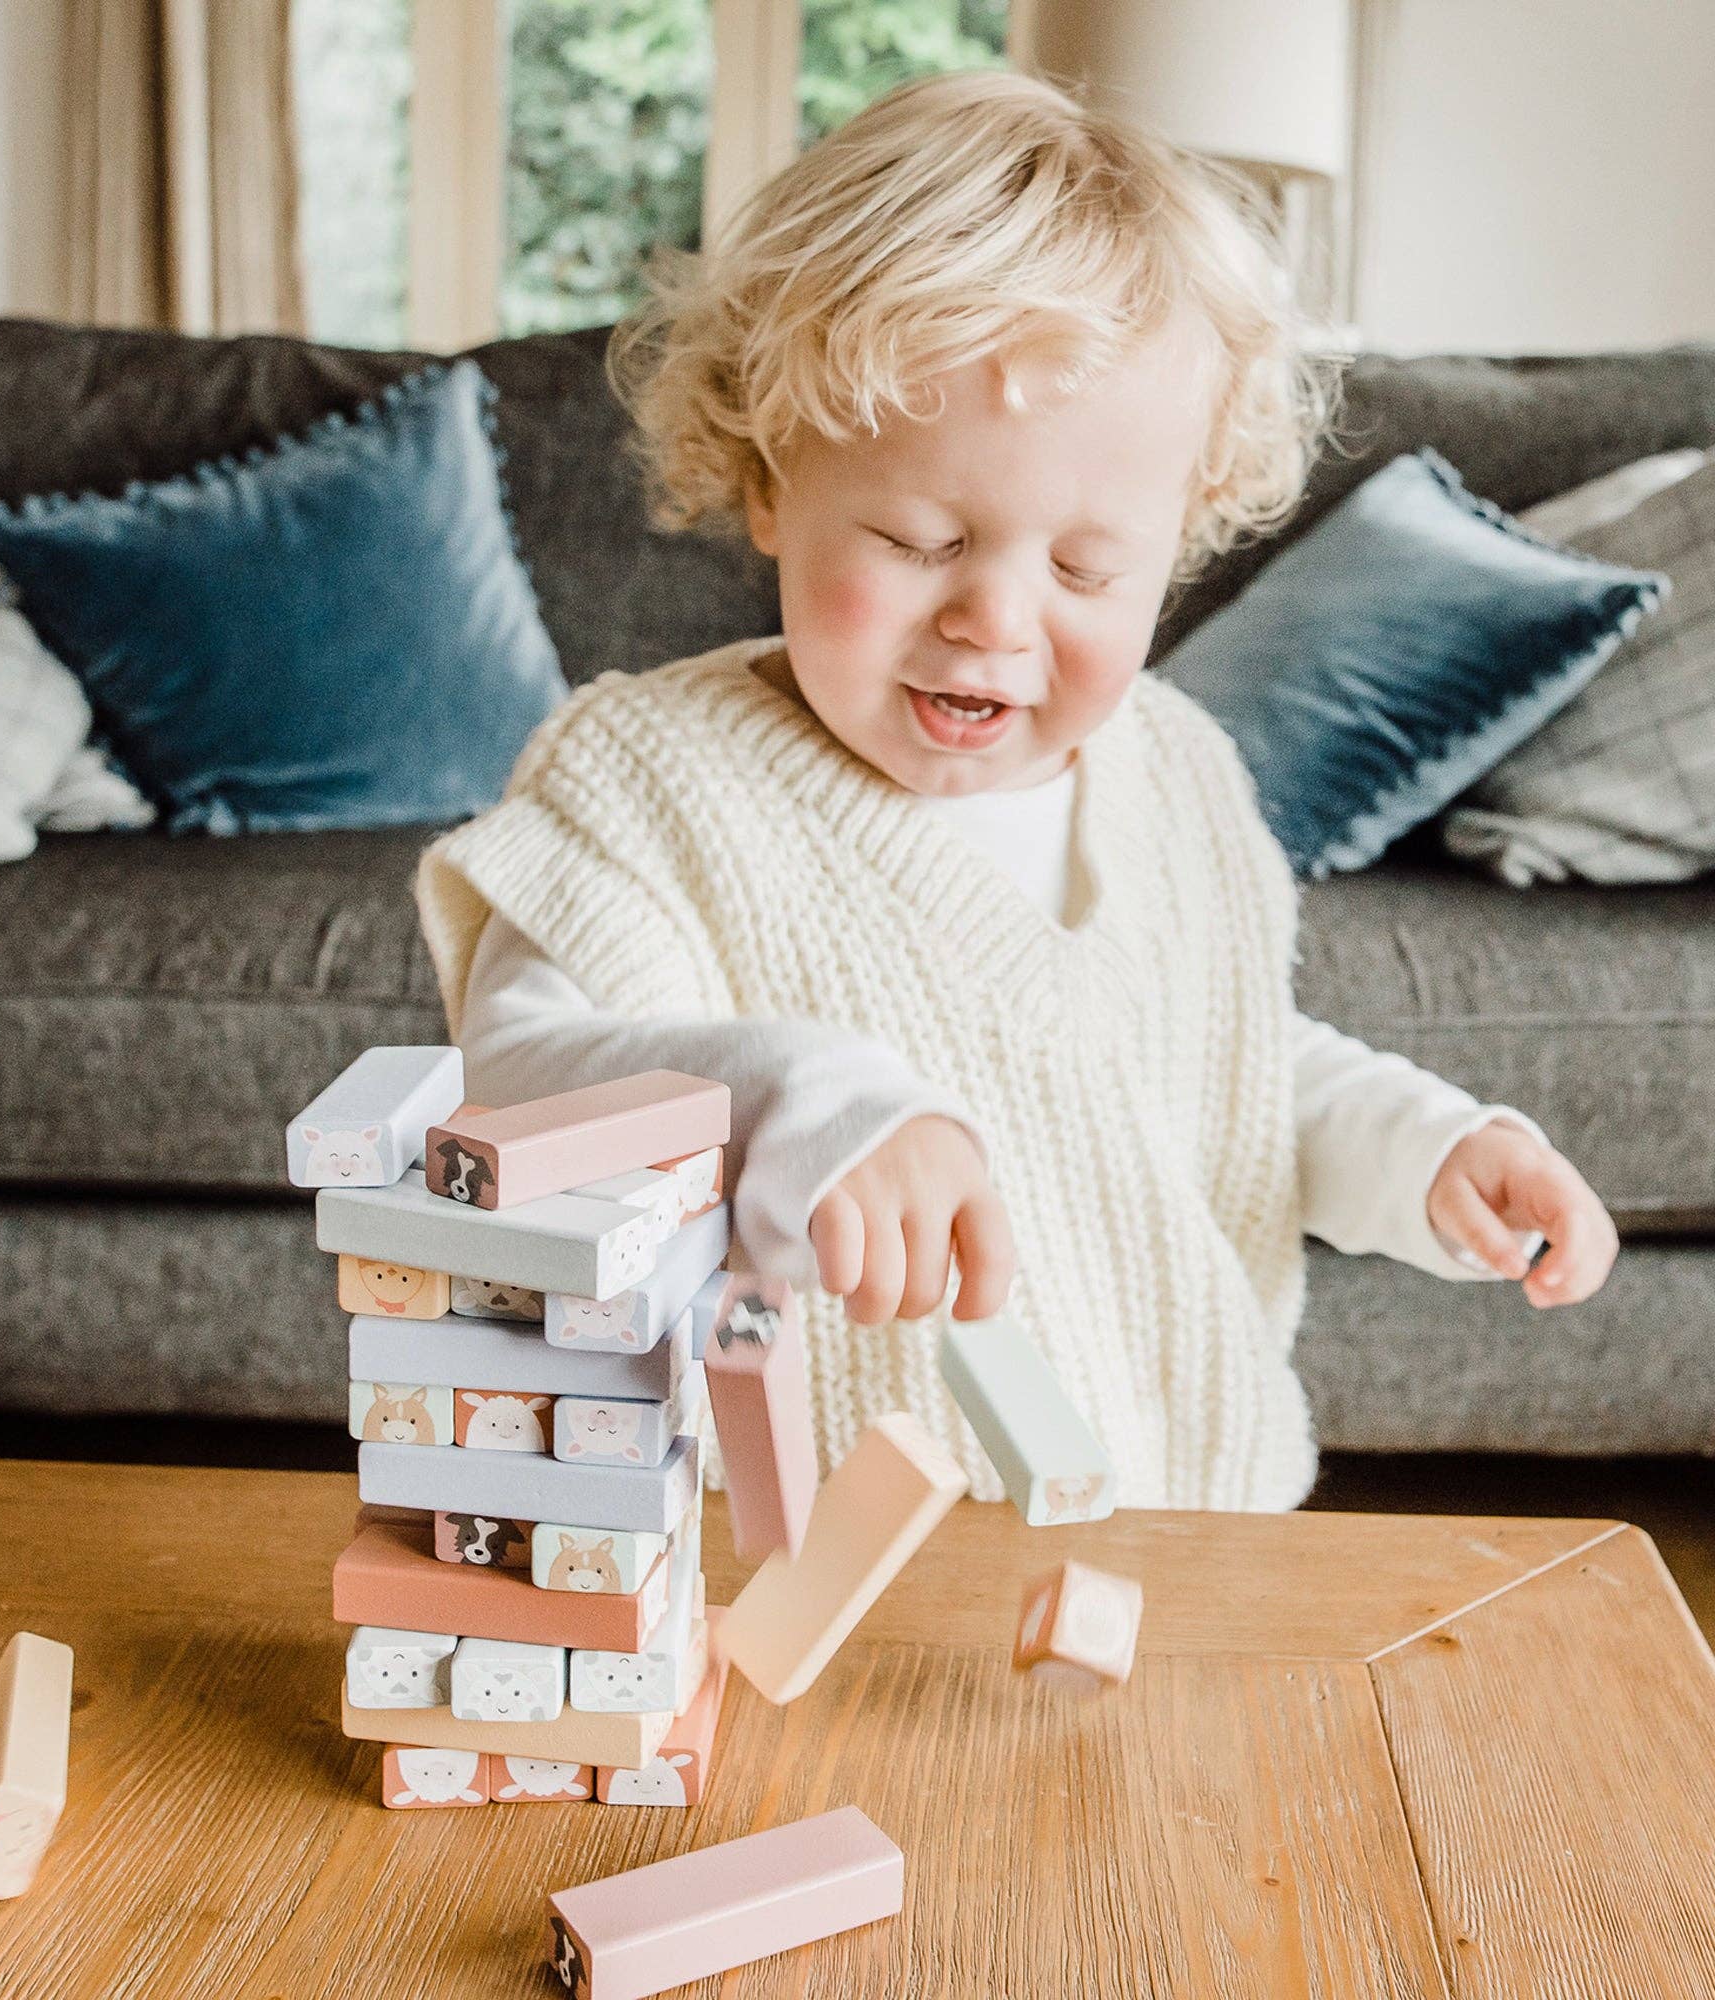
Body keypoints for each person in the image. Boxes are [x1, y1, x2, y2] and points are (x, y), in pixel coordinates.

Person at [417, 70, 1618, 1510]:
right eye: (923, 539)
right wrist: (805, 1104)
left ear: (1179, 543)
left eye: (1086, 568)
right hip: (813, 1551)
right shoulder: (649, 783)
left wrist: (1428, 1151)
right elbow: (514, 1081)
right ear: (765, 480)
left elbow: (1221, 1066)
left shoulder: (1177, 773)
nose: (995, 618)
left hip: (1194, 1515)